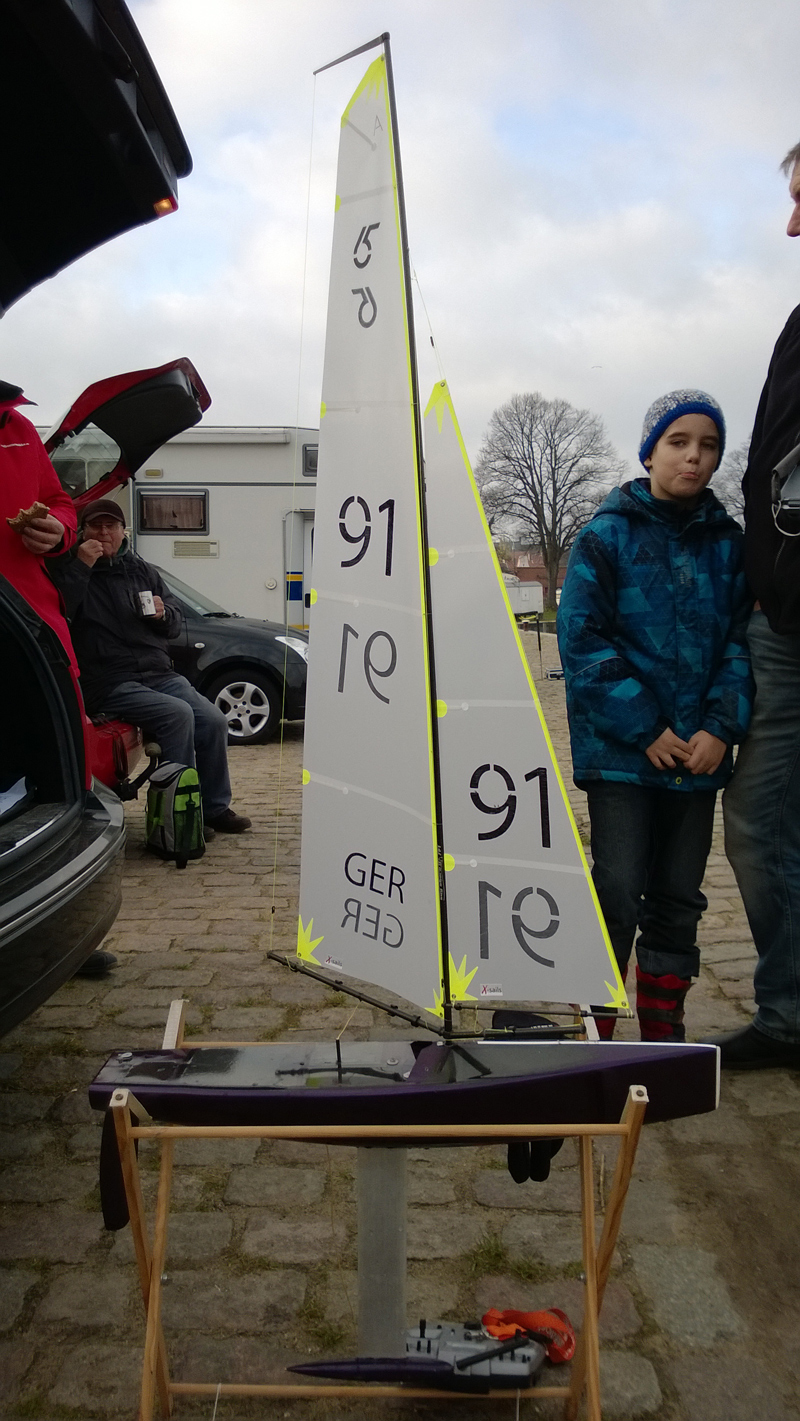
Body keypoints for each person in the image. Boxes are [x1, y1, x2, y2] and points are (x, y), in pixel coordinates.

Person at [558, 391, 753, 1041]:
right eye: (678, 442)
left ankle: (664, 1030)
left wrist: (720, 727)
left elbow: (740, 643)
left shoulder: (730, 545)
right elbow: (583, 642)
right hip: (623, 757)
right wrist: (645, 726)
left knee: (677, 896)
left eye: (708, 445)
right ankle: (595, 1028)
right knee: (617, 890)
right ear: (649, 452)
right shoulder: (605, 536)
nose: (693, 457)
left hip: (697, 758)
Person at [712, 145, 800, 1069]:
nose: (791, 225)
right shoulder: (794, 328)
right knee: (760, 825)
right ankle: (789, 1013)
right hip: (781, 628)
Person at [49, 498, 251, 835]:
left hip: (158, 673)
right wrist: (82, 566)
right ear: (82, 532)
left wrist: (163, 613)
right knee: (176, 715)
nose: (103, 533)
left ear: (122, 531)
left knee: (214, 720)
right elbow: (59, 613)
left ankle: (214, 808)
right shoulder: (68, 568)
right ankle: (177, 818)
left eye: (111, 526)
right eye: (96, 526)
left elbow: (174, 624)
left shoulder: (141, 570)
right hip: (108, 680)